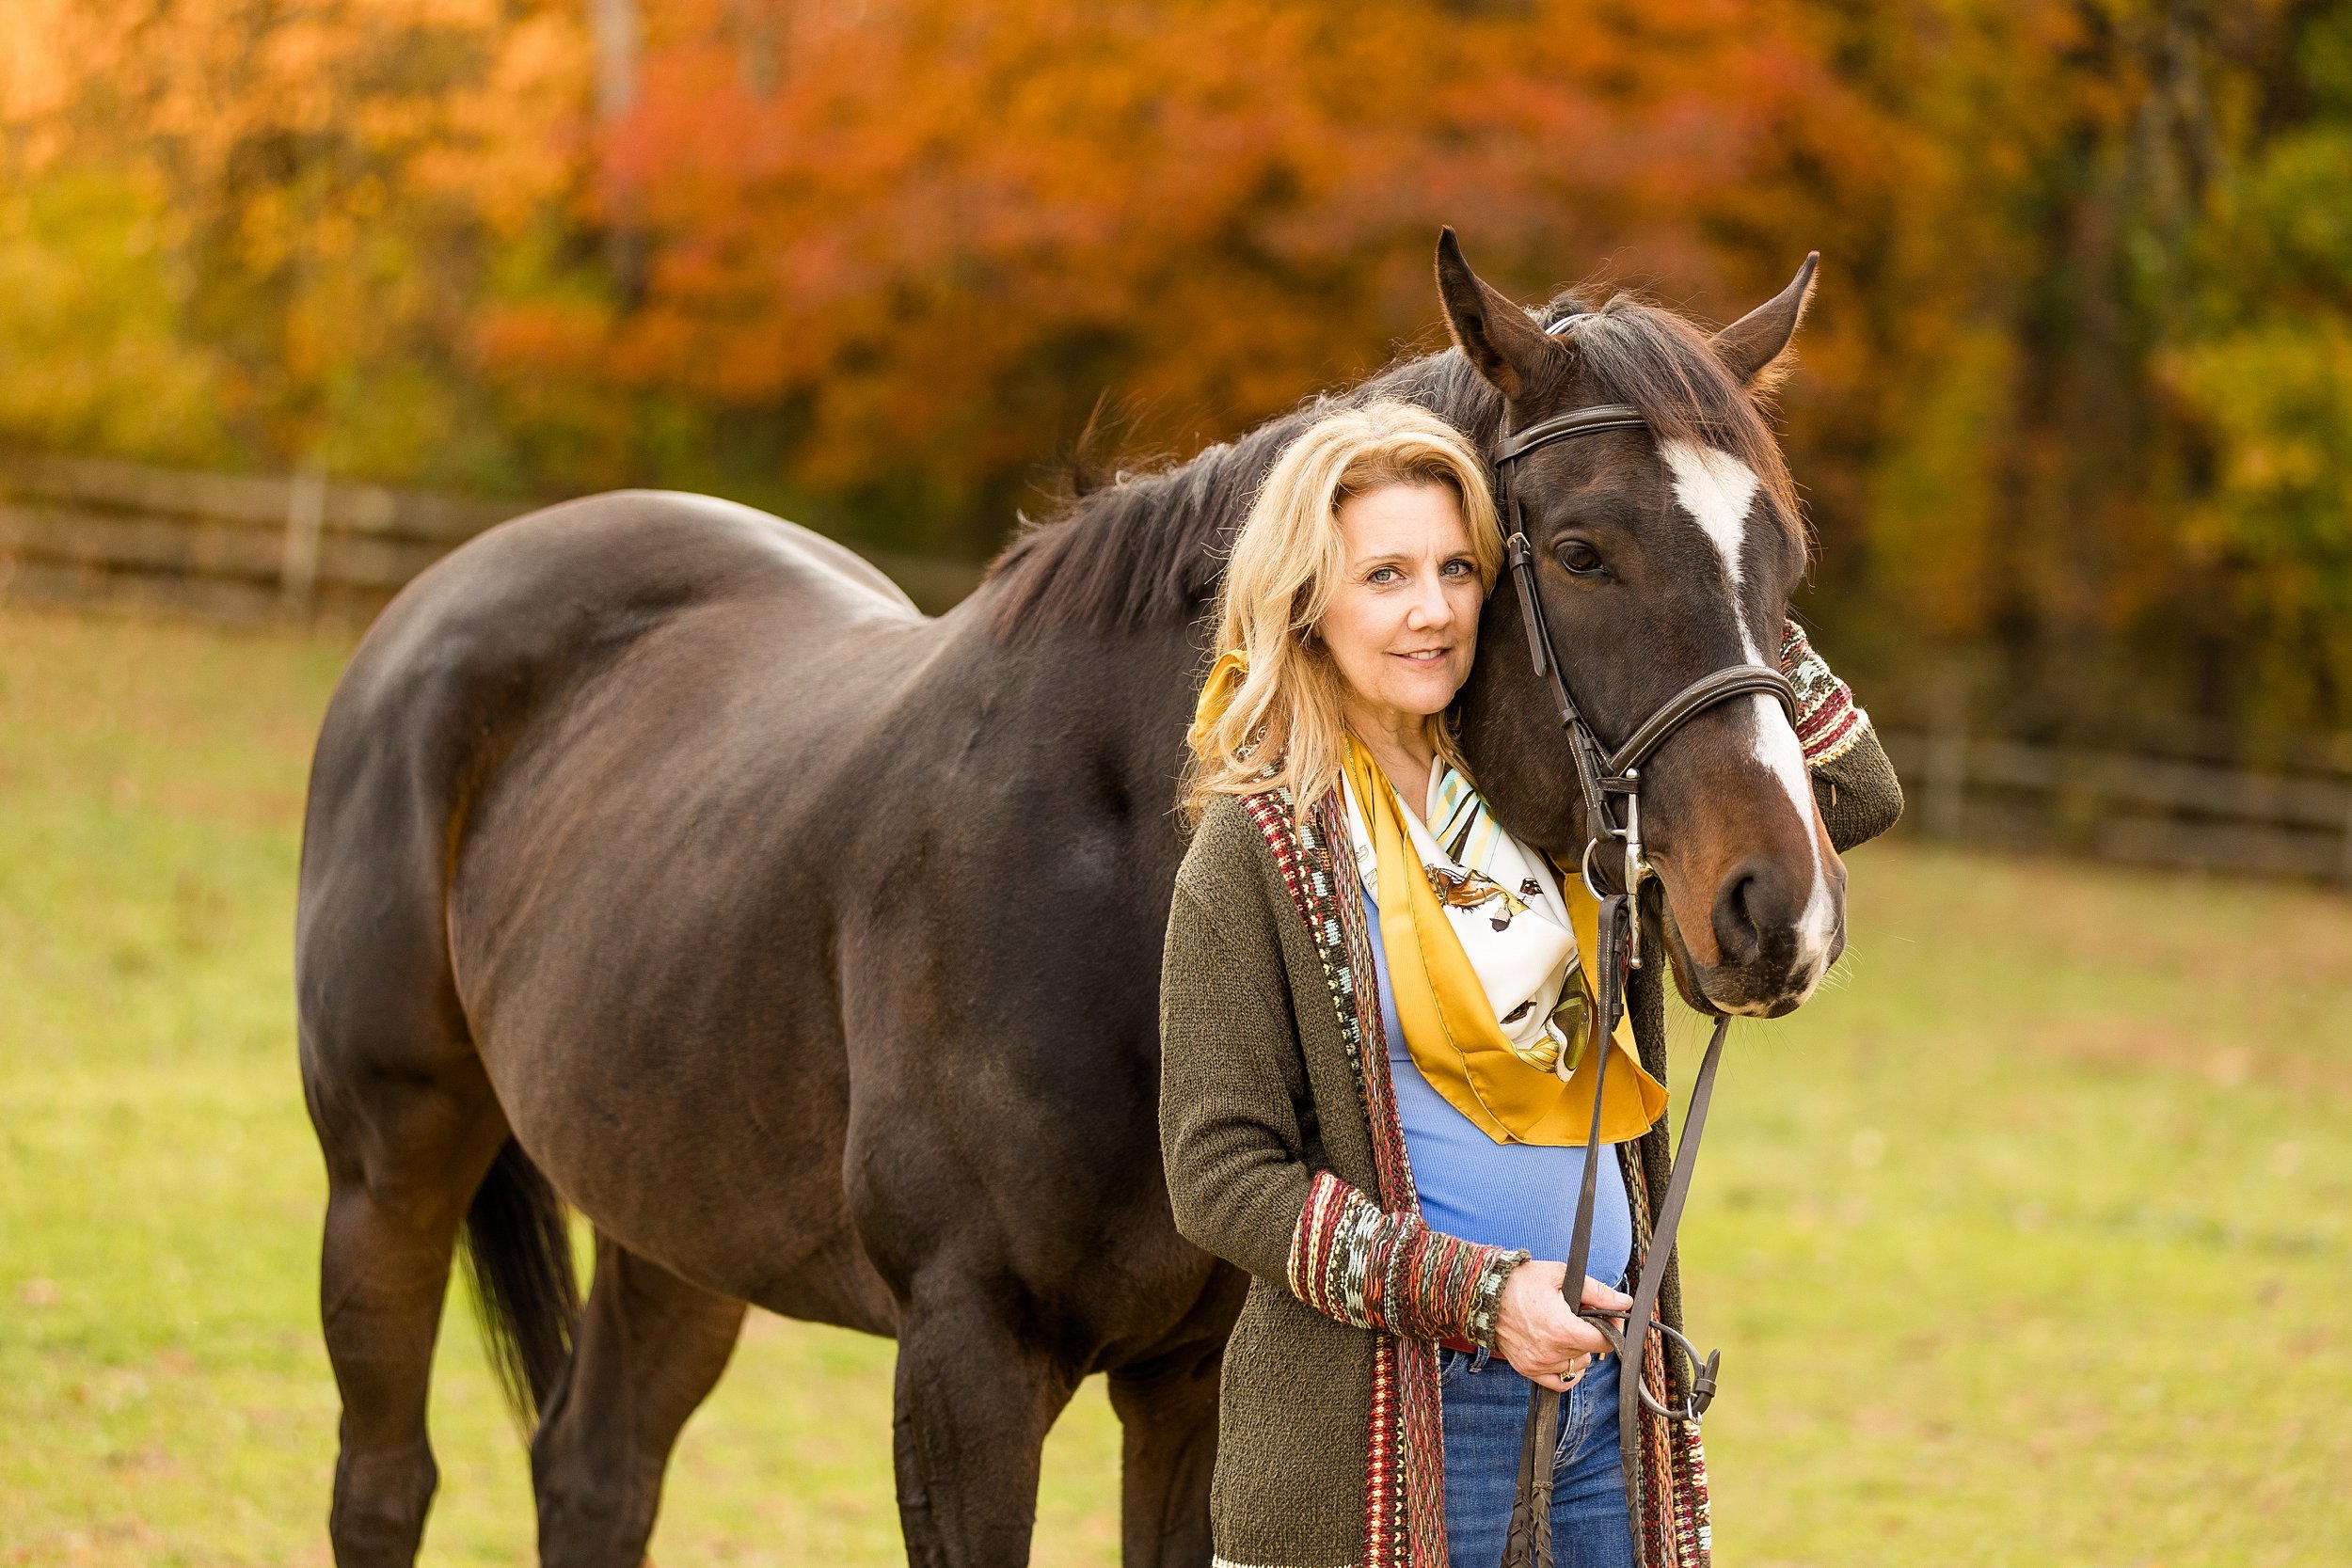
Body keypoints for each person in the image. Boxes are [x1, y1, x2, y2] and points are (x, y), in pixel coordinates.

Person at [1158, 399, 1889, 1568]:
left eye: (1458, 568)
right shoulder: (1260, 842)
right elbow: (1217, 1176)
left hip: (1605, 1404)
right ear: (1307, 599)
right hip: (1386, 1432)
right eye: (1383, 574)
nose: (1432, 608)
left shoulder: (1550, 803)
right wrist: (1476, 1294)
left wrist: (1696, 560)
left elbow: (1855, 792)